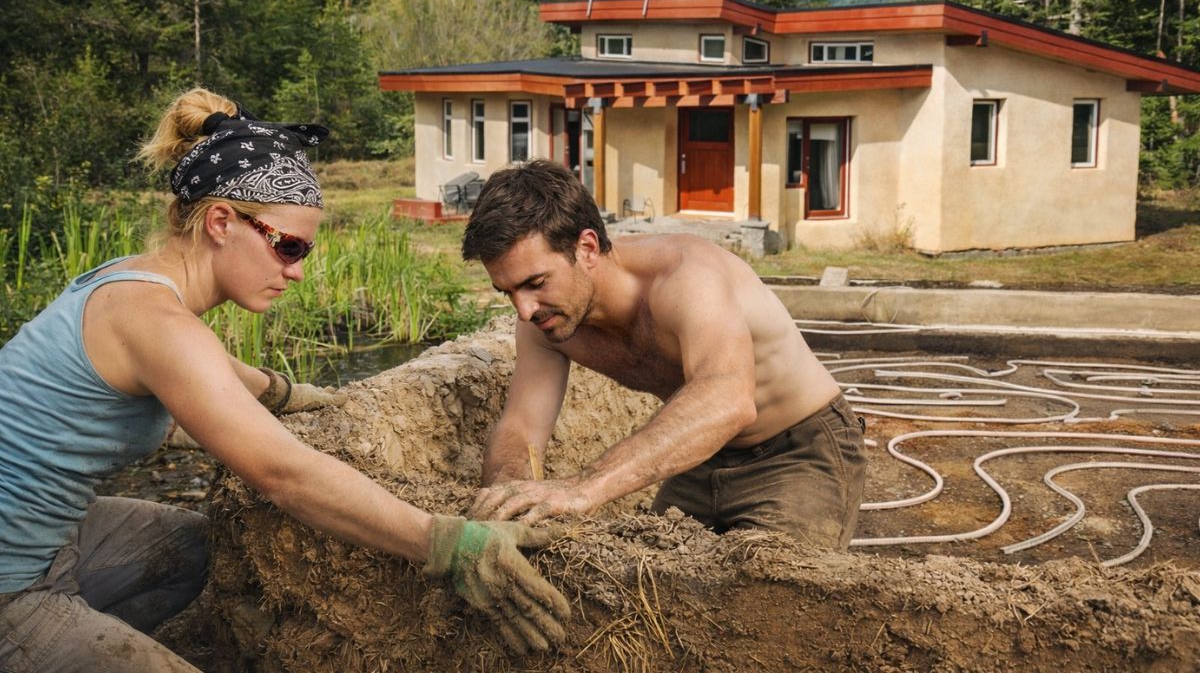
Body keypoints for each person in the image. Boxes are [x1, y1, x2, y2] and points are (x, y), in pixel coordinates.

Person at [0, 90, 569, 672]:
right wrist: (446, 542)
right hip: (9, 582)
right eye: (287, 246)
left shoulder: (134, 285)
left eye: (305, 251)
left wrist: (284, 393)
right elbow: (284, 475)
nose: (295, 271)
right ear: (221, 222)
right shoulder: (154, 321)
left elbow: (214, 368)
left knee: (208, 549)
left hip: (55, 539)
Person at [462, 159, 866, 550]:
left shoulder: (686, 276)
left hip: (799, 449)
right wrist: (505, 497)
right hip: (703, 456)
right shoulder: (543, 323)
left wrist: (585, 486)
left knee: (767, 582)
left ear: (586, 247)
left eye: (535, 283)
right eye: (508, 291)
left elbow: (727, 399)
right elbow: (521, 427)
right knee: (645, 580)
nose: (524, 309)